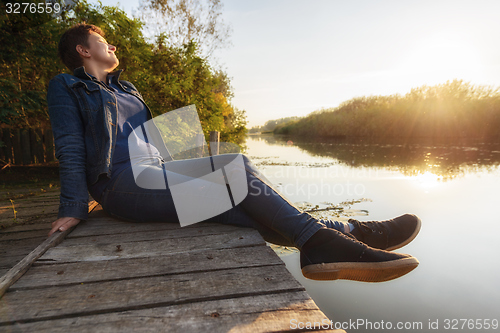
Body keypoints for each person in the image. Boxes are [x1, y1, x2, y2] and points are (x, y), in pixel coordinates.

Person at [47, 23, 421, 282]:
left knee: (241, 202)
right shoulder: (67, 86)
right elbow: (70, 145)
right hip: (119, 186)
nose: (111, 46)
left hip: (153, 175)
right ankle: (330, 241)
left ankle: (348, 232)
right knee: (233, 163)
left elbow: (151, 145)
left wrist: (189, 171)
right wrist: (72, 207)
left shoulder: (126, 89)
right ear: (84, 50)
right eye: (103, 41)